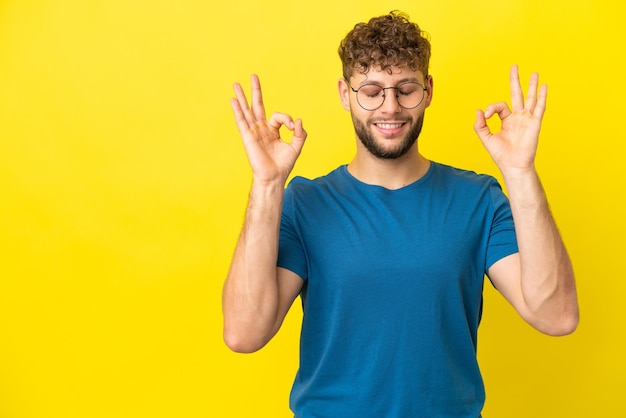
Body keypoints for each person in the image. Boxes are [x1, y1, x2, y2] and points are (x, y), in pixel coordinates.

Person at [222, 11, 579, 418]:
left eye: (405, 89)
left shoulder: (478, 200)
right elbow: (244, 333)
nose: (390, 108)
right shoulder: (304, 203)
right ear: (345, 93)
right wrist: (267, 185)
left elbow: (557, 316)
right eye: (371, 91)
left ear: (427, 90)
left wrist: (520, 174)